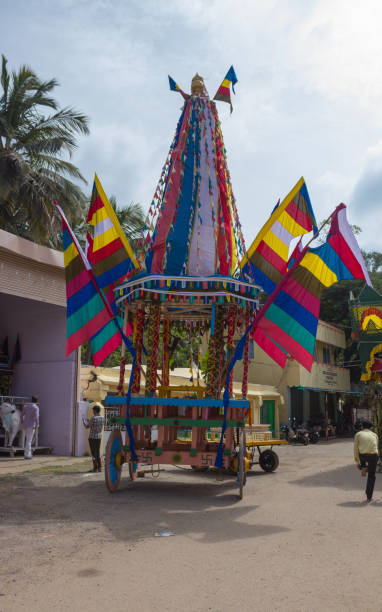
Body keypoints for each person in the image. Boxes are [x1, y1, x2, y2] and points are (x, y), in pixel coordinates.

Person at [354, 420, 379, 502]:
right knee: (371, 476)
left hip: (363, 456)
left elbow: (355, 449)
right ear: (371, 427)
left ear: (362, 427)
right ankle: (369, 497)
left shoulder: (358, 434)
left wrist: (357, 462)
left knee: (362, 455)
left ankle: (363, 467)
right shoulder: (375, 435)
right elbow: (376, 447)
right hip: (373, 456)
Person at [83, 405, 104, 472]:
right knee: (97, 452)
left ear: (95, 410)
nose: (92, 411)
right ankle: (100, 467)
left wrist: (83, 421)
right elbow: (95, 423)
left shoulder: (93, 418)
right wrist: (89, 421)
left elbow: (87, 426)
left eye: (93, 410)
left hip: (92, 437)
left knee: (93, 453)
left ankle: (95, 468)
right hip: (99, 437)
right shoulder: (102, 417)